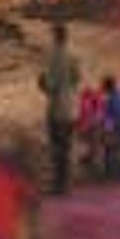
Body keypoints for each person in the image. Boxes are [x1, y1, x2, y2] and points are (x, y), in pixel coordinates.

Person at [38, 24, 82, 195]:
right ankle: (66, 181)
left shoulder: (52, 57)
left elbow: (50, 86)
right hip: (72, 109)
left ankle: (59, 184)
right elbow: (77, 79)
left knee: (56, 147)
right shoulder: (74, 55)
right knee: (67, 147)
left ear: (55, 37)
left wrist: (41, 83)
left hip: (56, 110)